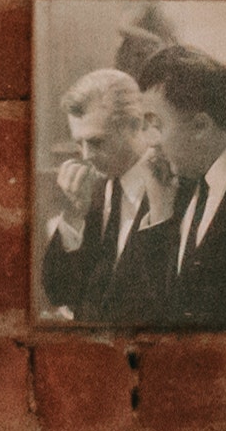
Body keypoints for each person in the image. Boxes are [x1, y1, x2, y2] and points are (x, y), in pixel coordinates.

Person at [112, 30, 226, 329]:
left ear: (201, 126)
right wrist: (160, 214)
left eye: (156, 124)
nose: (149, 144)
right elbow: (139, 309)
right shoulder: (181, 177)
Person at [37, 64, 156, 323]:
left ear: (136, 125)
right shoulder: (94, 187)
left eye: (96, 142)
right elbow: (59, 292)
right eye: (79, 143)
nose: (86, 156)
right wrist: (74, 216)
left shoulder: (172, 185)